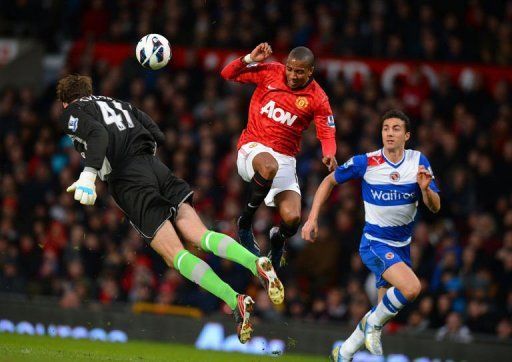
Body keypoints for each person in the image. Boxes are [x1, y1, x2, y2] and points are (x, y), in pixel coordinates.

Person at [56, 74, 284, 344]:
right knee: (201, 235)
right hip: (156, 167)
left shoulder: (74, 110)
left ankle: (233, 299)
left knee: (174, 255)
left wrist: (89, 175)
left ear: (64, 102)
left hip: (128, 180)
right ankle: (255, 262)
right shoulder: (120, 104)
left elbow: (97, 134)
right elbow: (157, 132)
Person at [301, 110, 440, 360]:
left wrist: (426, 189)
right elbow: (328, 182)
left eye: (396, 128)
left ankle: (343, 352)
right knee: (411, 288)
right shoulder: (367, 162)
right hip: (375, 243)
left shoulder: (419, 162)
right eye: (386, 128)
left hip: (403, 246)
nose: (389, 132)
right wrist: (312, 218)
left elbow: (435, 206)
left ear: (406, 135)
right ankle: (371, 327)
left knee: (382, 310)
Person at [221, 42, 337, 269]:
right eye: (290, 69)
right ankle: (245, 222)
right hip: (252, 147)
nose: (292, 75)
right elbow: (227, 73)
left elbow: (327, 132)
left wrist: (329, 153)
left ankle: (277, 239)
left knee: (293, 218)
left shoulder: (318, 98)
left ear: (310, 71)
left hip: (285, 159)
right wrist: (248, 59)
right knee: (268, 165)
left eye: (299, 72)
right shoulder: (270, 72)